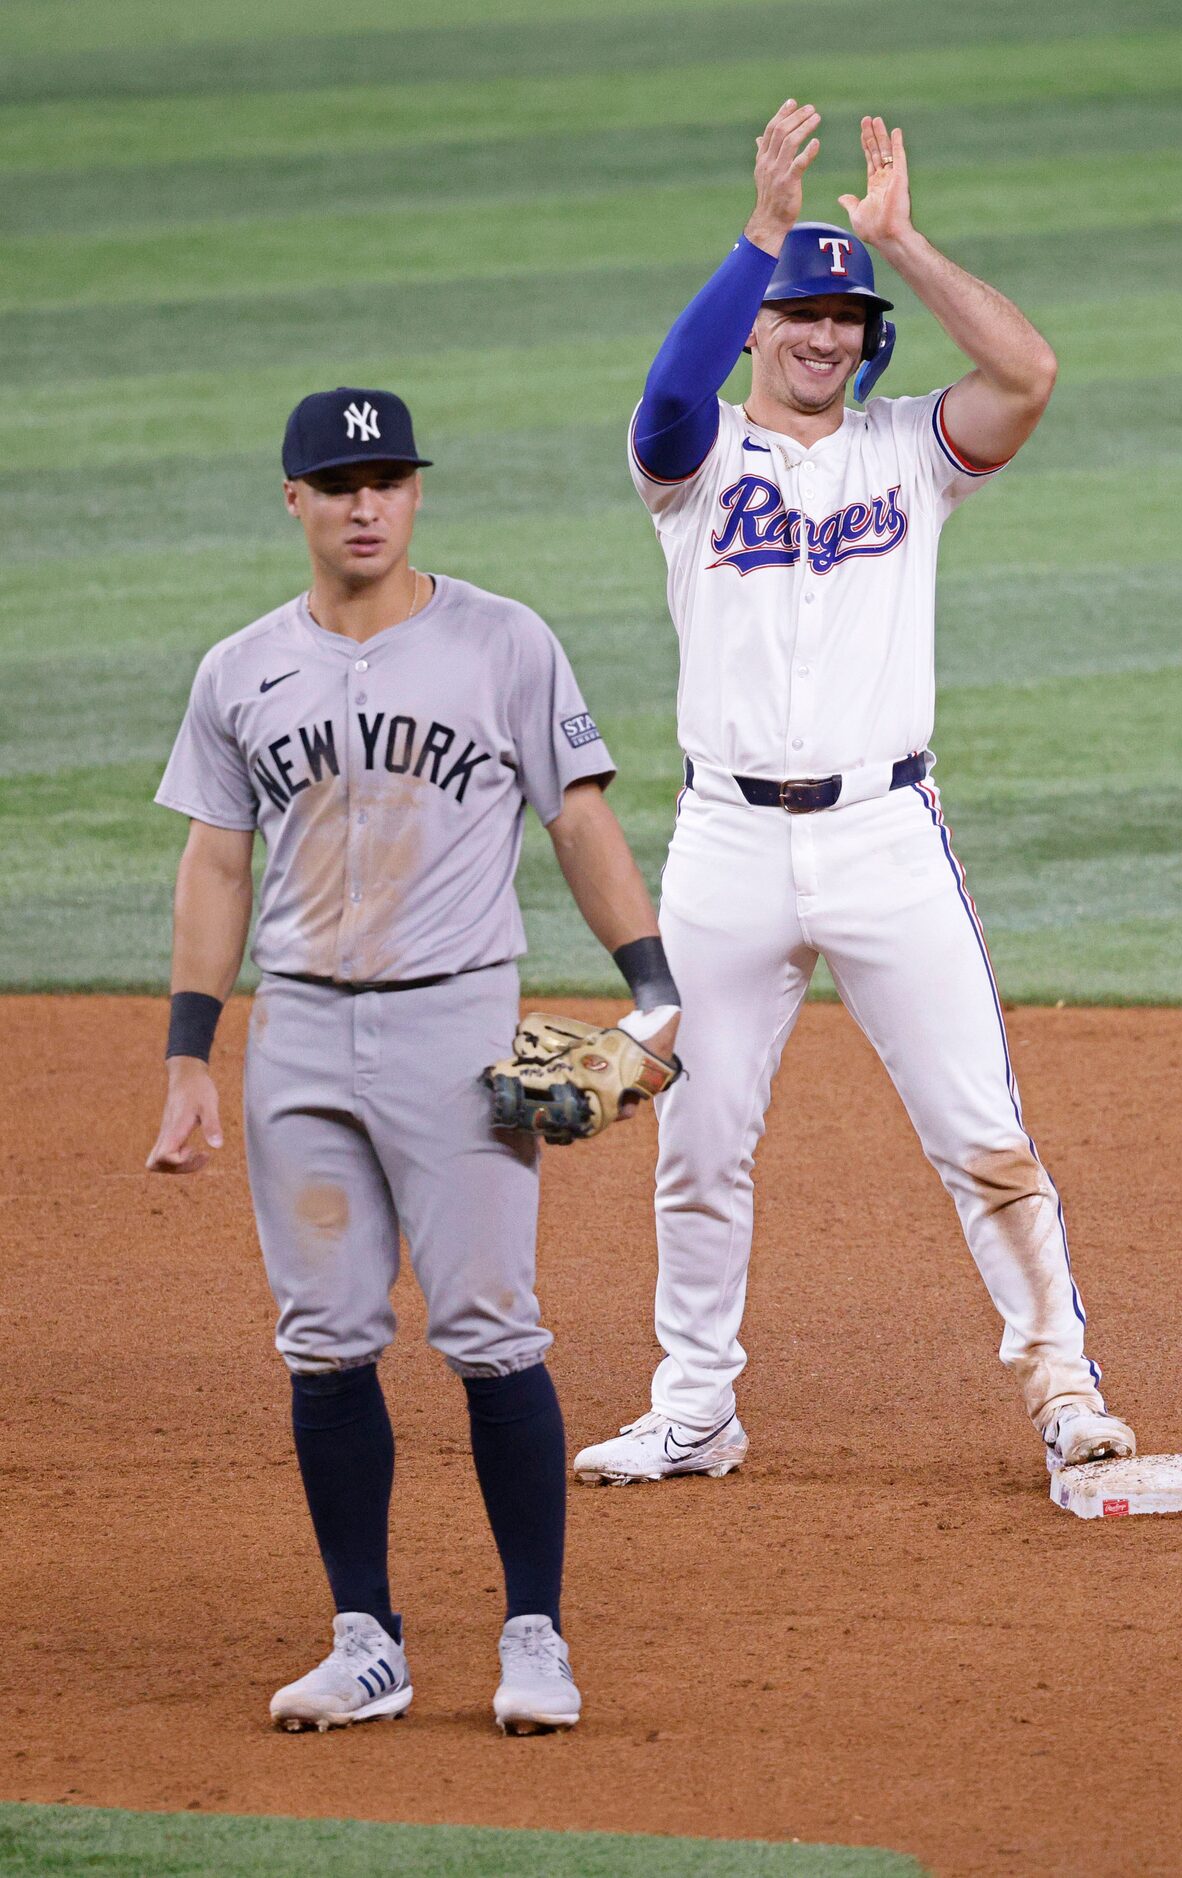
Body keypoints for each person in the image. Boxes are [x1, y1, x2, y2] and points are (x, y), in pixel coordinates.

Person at [572, 106, 1136, 1489]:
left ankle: (1063, 1381)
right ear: (755, 326)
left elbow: (1029, 369)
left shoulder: (911, 452)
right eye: (796, 313)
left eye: (844, 315)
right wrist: (758, 235)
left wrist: (901, 243)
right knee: (699, 1140)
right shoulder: (690, 464)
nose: (821, 335)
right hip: (725, 843)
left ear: (868, 337)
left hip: (888, 832)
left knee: (980, 1133)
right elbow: (661, 391)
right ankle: (696, 1405)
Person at [145, 386, 681, 1734]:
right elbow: (216, 861)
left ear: (416, 491)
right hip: (302, 1041)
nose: (366, 503)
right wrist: (189, 1054)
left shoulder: (503, 642)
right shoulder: (237, 670)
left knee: (492, 1331)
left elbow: (575, 817)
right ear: (295, 502)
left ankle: (535, 1634)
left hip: (454, 1026)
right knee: (325, 1341)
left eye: (388, 477)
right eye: (339, 483)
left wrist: (651, 986)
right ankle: (364, 1637)